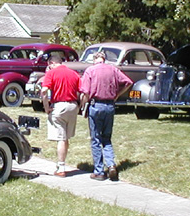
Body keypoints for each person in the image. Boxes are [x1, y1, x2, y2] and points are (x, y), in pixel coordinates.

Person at [79, 51, 134, 181]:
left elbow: (85, 92)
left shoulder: (90, 71)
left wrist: (83, 107)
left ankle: (99, 171)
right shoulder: (113, 69)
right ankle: (111, 165)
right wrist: (117, 95)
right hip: (110, 106)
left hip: (96, 105)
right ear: (104, 59)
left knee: (96, 139)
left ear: (94, 59)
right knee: (107, 138)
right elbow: (128, 82)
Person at [40, 53, 81, 177]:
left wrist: (46, 107)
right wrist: (80, 106)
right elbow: (83, 91)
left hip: (59, 106)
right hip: (73, 106)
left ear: (52, 63)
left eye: (49, 66)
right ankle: (61, 164)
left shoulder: (51, 73)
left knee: (61, 139)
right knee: (66, 138)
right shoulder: (74, 73)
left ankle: (61, 168)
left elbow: (44, 90)